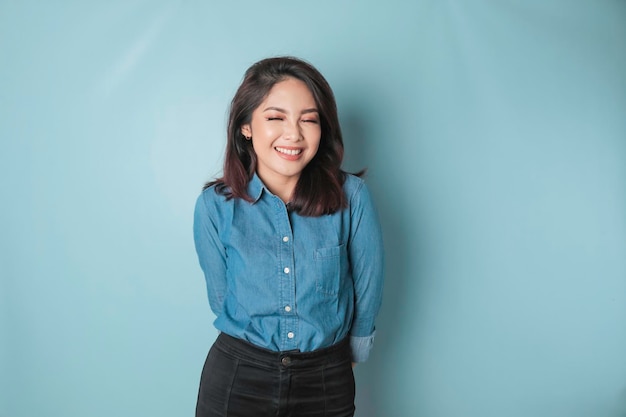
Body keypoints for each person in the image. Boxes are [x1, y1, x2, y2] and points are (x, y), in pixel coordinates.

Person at [193, 56, 384, 417]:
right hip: (238, 377)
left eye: (308, 119)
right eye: (275, 117)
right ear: (246, 126)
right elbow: (222, 298)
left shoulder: (353, 197)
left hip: (327, 379)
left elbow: (368, 285)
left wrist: (349, 356)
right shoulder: (214, 207)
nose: (293, 134)